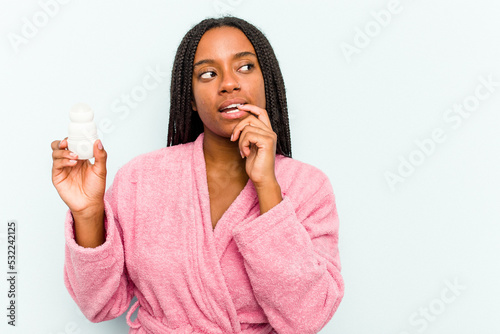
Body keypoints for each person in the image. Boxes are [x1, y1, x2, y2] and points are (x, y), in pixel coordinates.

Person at [51, 16, 344, 334]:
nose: (229, 83)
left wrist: (267, 186)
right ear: (189, 96)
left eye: (245, 67)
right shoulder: (140, 179)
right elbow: (99, 305)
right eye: (208, 73)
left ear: (267, 80)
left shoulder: (308, 188)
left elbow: (308, 316)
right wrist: (89, 213)